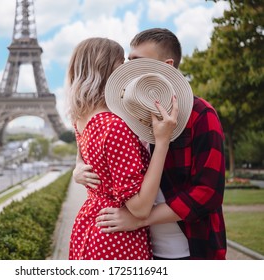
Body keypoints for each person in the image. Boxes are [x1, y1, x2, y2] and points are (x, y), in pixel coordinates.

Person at [73, 28, 227, 260]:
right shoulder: (124, 112)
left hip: (189, 249)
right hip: (139, 247)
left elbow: (208, 192)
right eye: (128, 62)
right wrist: (77, 167)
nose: (127, 70)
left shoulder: (201, 115)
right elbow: (89, 139)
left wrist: (140, 218)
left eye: (138, 63)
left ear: (168, 66)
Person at [66, 37, 178, 260]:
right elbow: (139, 208)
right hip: (116, 238)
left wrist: (77, 168)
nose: (127, 74)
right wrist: (163, 141)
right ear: (107, 71)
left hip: (90, 227)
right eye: (121, 66)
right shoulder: (114, 125)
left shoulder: (81, 119)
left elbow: (89, 161)